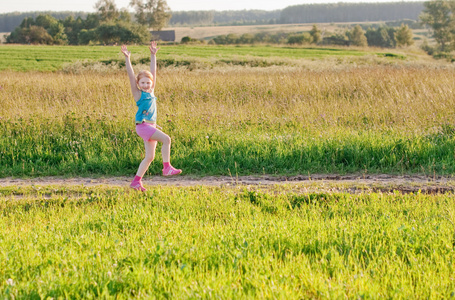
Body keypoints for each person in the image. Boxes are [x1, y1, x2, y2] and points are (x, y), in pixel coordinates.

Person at [121, 42, 182, 192]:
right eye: (143, 82)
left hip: (150, 126)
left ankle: (136, 182)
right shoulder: (138, 94)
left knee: (149, 157)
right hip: (143, 126)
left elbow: (153, 72)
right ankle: (166, 168)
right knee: (167, 139)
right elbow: (130, 76)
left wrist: (153, 55)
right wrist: (127, 58)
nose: (146, 85)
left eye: (148, 82)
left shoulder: (152, 91)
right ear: (138, 83)